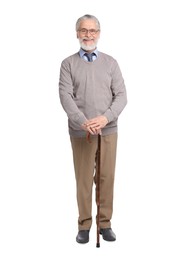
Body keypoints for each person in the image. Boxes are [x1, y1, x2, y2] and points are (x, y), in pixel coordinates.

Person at [59, 14, 127, 244]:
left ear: (99, 33)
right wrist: (83, 121)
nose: (88, 35)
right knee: (84, 180)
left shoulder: (111, 63)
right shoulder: (67, 64)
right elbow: (65, 96)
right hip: (81, 132)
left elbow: (121, 96)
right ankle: (84, 225)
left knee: (107, 178)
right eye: (83, 30)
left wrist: (105, 118)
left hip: (108, 130)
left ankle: (105, 224)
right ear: (77, 33)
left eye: (92, 30)